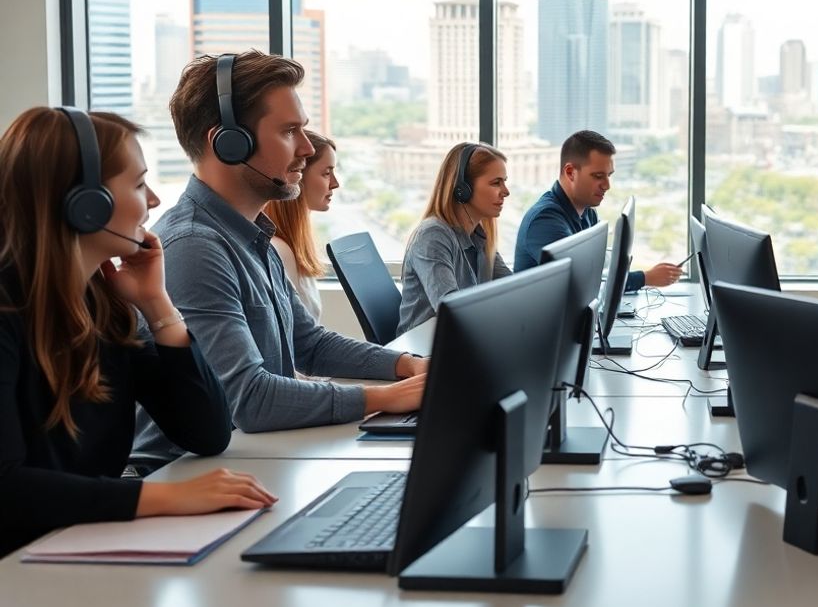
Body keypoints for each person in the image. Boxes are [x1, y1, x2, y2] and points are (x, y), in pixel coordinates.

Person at [0, 106, 275, 557]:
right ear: (86, 205)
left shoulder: (102, 303)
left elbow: (206, 433)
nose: (153, 201)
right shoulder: (6, 309)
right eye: (137, 183)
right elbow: (6, 486)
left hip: (77, 548)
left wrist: (157, 305)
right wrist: (163, 497)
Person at [134, 51, 426, 460]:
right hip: (186, 475)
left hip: (252, 458)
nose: (306, 148)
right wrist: (385, 398)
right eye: (290, 131)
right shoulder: (194, 247)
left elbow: (310, 344)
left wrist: (408, 366)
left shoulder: (251, 236)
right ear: (228, 143)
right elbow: (248, 400)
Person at [513, 130, 682, 290]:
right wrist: (645, 278)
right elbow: (582, 282)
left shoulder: (587, 213)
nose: (607, 185)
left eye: (609, 175)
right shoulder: (545, 220)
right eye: (598, 176)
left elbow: (594, 270)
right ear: (570, 172)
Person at [396, 141, 513, 336]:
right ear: (462, 189)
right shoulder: (433, 236)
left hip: (461, 342)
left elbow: (512, 286)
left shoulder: (479, 235)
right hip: (423, 355)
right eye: (496, 183)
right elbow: (451, 309)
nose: (506, 191)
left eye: (504, 181)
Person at [263, 129, 339, 321]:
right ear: (298, 177)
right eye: (326, 173)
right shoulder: (279, 250)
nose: (335, 183)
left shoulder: (293, 246)